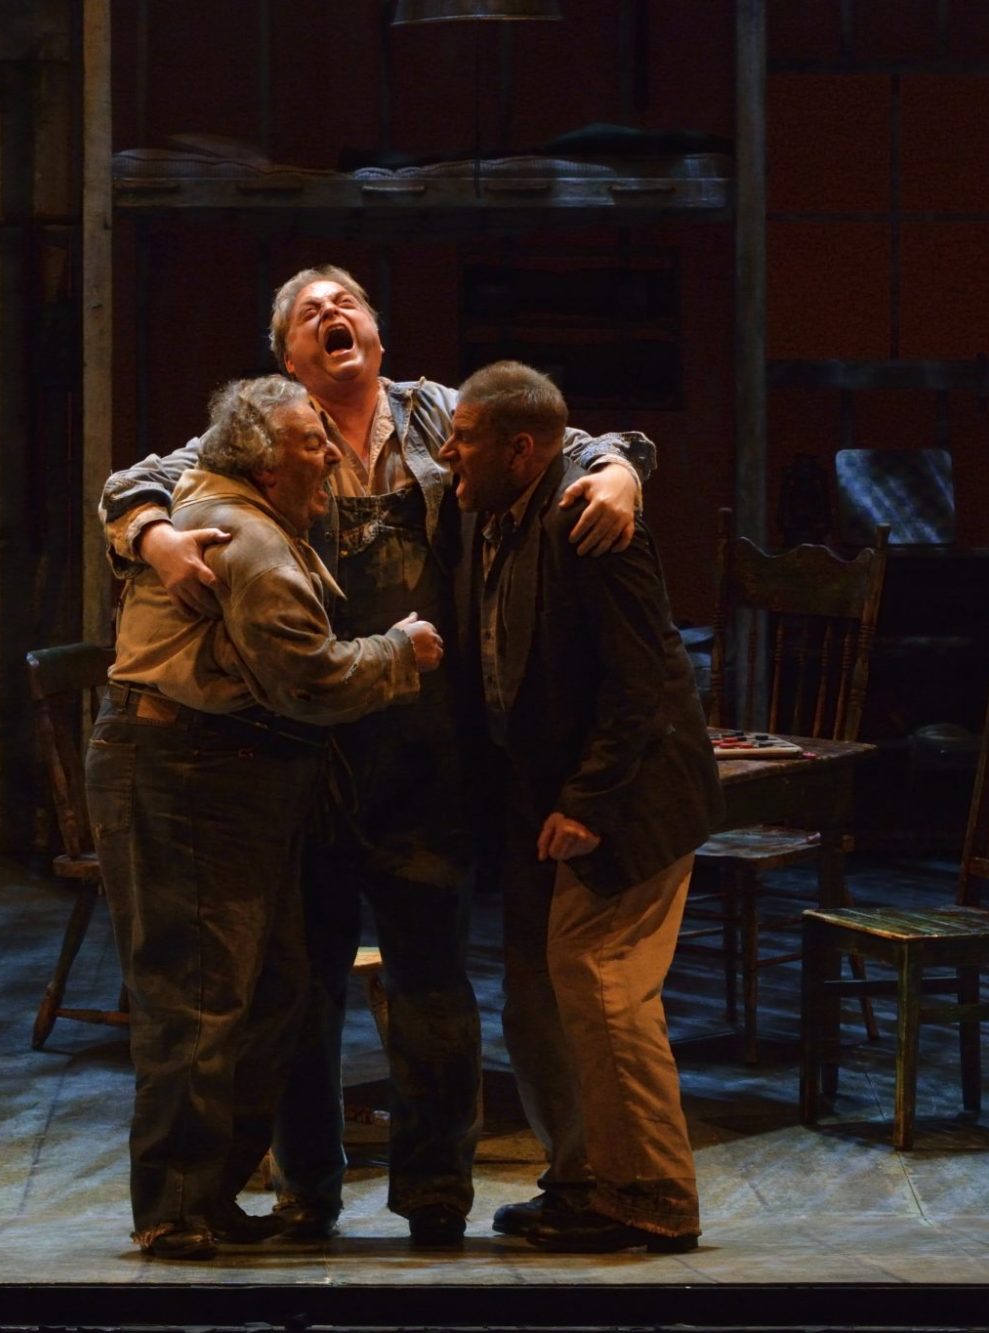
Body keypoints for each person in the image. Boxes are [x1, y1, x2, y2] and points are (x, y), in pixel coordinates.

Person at [98, 265, 655, 1245]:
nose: (328, 314)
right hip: (294, 748)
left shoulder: (438, 414)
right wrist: (150, 537)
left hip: (422, 755)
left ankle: (435, 1188)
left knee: (431, 982)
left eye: (344, 301)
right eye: (305, 312)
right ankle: (305, 1189)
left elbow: (564, 433)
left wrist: (621, 472)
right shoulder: (267, 431)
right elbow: (137, 481)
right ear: (286, 358)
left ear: (378, 335)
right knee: (298, 993)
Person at [88, 375, 445, 1260]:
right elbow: (311, 678)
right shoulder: (244, 538)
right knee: (199, 995)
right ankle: (175, 1204)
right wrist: (402, 650)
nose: (327, 455)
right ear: (261, 461)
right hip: (189, 768)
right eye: (307, 444)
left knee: (273, 991)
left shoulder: (247, 507)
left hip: (231, 774)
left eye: (326, 437)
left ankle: (205, 1193)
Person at [438, 360, 720, 1253]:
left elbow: (650, 681)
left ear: (521, 452)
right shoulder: (490, 511)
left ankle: (655, 1197)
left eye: (468, 438)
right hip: (539, 800)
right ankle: (587, 1179)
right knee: (560, 994)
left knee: (604, 987)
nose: (448, 449)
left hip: (628, 798)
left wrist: (591, 800)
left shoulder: (592, 519)